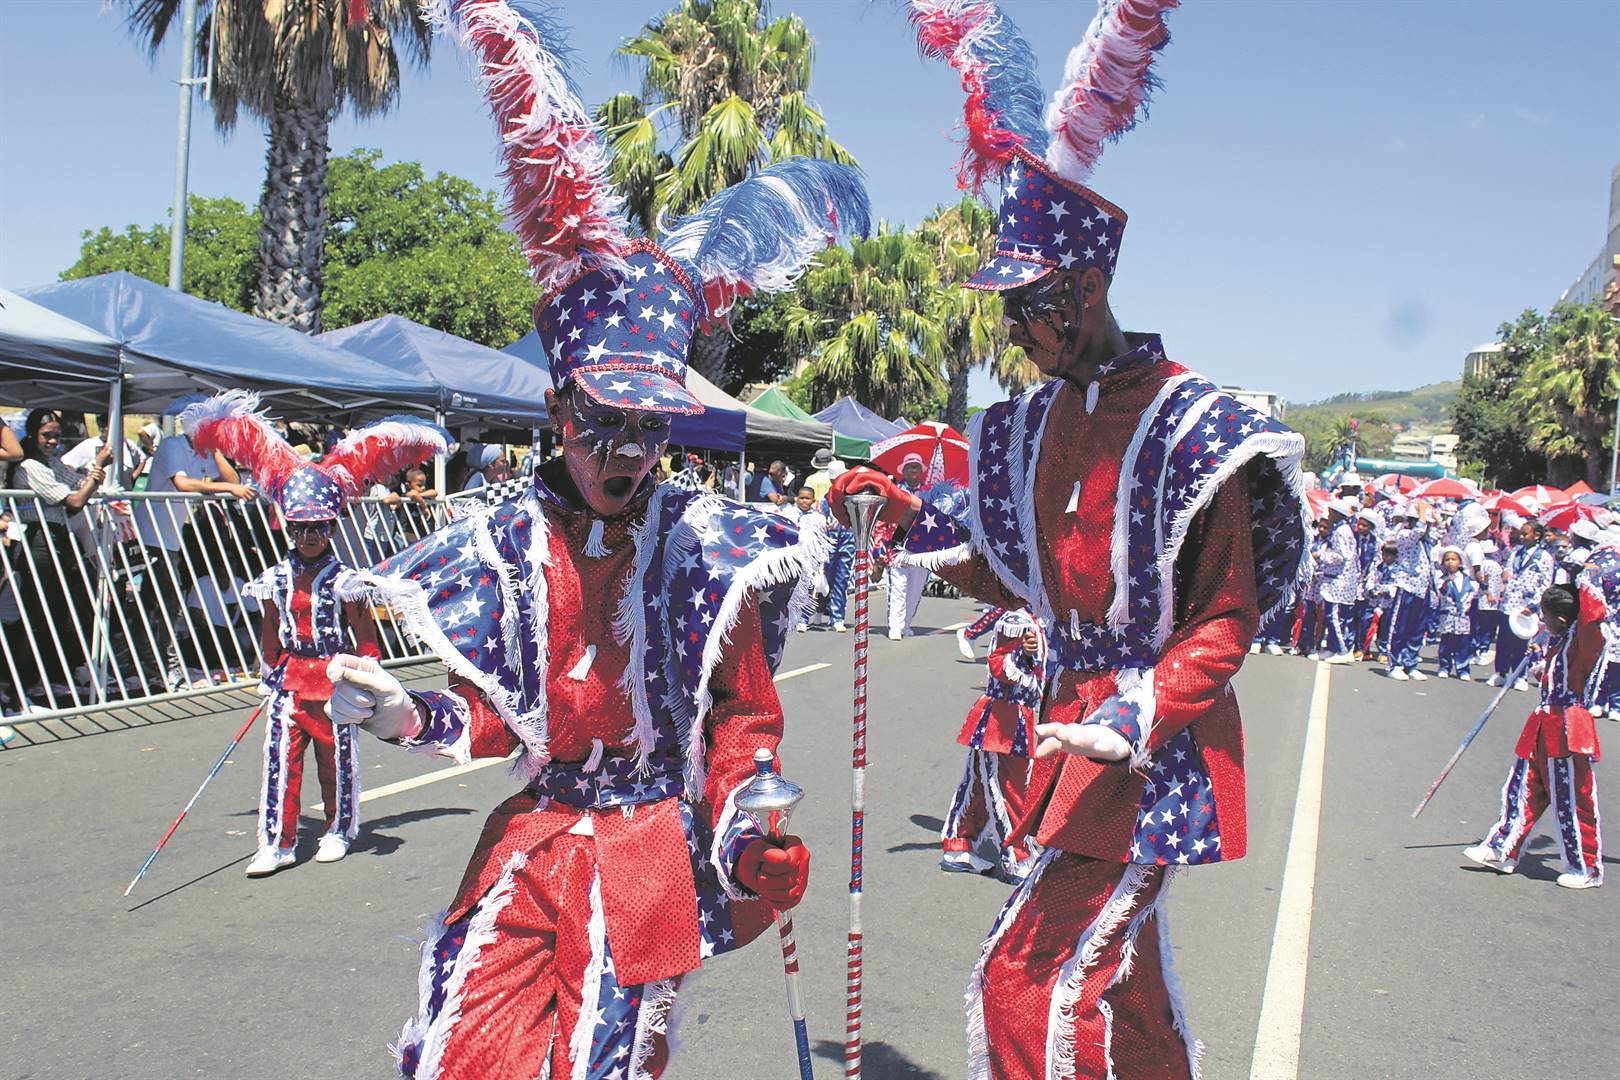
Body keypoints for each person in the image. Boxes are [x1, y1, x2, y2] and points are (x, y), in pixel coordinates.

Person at [316, 12, 867, 1069]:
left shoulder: (714, 548)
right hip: (531, 841)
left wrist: (750, 824)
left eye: (649, 425)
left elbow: (743, 718)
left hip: (650, 849)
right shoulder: (504, 544)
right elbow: (502, 723)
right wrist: (399, 713)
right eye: (605, 421)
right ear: (560, 409)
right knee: (454, 1050)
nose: (627, 450)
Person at [836, 2, 1305, 1071]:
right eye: (1004, 308)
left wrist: (1134, 717)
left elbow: (1225, 620)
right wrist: (898, 517)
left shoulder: (1201, 429)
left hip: (1147, 752)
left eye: (1031, 304)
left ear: (1088, 288)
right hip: (1065, 739)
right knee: (1121, 996)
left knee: (1030, 985)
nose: (1012, 329)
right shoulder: (1026, 423)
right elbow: (1004, 571)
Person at [183, 393, 444, 876]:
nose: (310, 538)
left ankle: (339, 829)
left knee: (335, 762)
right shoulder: (274, 578)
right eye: (303, 529)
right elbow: (269, 628)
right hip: (289, 678)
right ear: (289, 528)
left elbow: (366, 636)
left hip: (333, 676)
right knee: (280, 763)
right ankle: (275, 843)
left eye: (319, 529)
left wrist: (365, 676)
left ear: (331, 527)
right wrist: (267, 671)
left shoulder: (346, 580)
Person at [1463, 584, 1603, 889]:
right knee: (1524, 787)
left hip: (1568, 728)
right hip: (1542, 723)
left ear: (1562, 620)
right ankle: (1503, 848)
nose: (1542, 619)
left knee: (1571, 798)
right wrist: (1540, 656)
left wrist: (1583, 579)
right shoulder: (1559, 641)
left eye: (1546, 615)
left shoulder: (1584, 642)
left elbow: (1594, 615)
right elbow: (1551, 674)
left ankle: (1585, 867)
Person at [135, 400, 254, 689]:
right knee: (165, 605)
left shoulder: (203, 451)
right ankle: (162, 670)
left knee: (165, 604)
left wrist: (215, 452)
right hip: (151, 536)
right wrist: (228, 487)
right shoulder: (172, 445)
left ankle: (159, 668)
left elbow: (233, 478)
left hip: (170, 539)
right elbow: (184, 484)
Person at [3, 409, 111, 704]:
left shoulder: (50, 463)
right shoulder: (29, 466)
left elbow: (78, 484)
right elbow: (76, 500)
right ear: (32, 434)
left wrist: (94, 474)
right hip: (38, 541)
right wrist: (97, 469)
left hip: (56, 540)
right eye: (46, 435)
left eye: (56, 435)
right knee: (36, 618)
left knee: (55, 615)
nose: (52, 441)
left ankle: (38, 681)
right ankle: (17, 690)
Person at [941, 608, 1046, 882]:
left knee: (979, 785)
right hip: (1005, 721)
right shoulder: (1017, 620)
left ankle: (959, 845)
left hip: (1014, 719)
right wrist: (1024, 654)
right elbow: (999, 664)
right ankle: (1017, 856)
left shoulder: (1044, 616)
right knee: (1009, 790)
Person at [1493, 519, 1555, 690]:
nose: (1521, 537)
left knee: (1522, 642)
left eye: (1525, 533)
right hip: (1509, 603)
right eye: (1520, 533)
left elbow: (1545, 583)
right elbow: (1508, 569)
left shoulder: (1544, 557)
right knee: (1504, 639)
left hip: (1526, 605)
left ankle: (1520, 675)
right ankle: (1501, 672)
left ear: (1536, 536)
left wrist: (1534, 606)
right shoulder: (1517, 552)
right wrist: (1506, 575)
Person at [1385, 502, 1437, 681]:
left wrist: (1434, 516)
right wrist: (1422, 512)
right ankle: (1395, 663)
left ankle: (1410, 662)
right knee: (1399, 626)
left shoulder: (1427, 541)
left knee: (1417, 628)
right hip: (1407, 585)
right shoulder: (1404, 534)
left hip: (1423, 589)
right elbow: (1417, 532)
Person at [885, 452, 931, 641]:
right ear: (903, 471)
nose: (913, 470)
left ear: (921, 472)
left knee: (915, 589)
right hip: (899, 546)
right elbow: (885, 516)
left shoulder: (930, 492)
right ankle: (894, 626)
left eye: (917, 467)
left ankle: (906, 624)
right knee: (898, 587)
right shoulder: (894, 491)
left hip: (922, 548)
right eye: (910, 467)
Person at [1316, 499, 1360, 663]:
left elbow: (1340, 556)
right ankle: (1333, 647)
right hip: (1336, 580)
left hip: (1339, 581)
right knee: (1332, 615)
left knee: (1334, 616)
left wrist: (1321, 555)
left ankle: (1343, 650)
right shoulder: (1341, 529)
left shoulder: (1342, 531)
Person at [1433, 546, 1479, 679]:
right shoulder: (1442, 579)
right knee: (1446, 643)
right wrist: (1446, 584)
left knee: (1463, 644)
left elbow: (1472, 592)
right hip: (1448, 615)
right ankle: (1444, 667)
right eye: (1447, 560)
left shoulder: (1467, 579)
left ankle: (1463, 669)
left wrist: (1465, 604)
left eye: (1453, 559)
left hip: (1463, 615)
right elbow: (1440, 593)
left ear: (1460, 562)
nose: (1450, 562)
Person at [1472, 541, 1504, 666]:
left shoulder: (1482, 564)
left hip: (1484, 597)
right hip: (1491, 597)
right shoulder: (1494, 565)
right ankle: (1483, 649)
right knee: (1487, 626)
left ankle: (1478, 649)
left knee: (1479, 626)